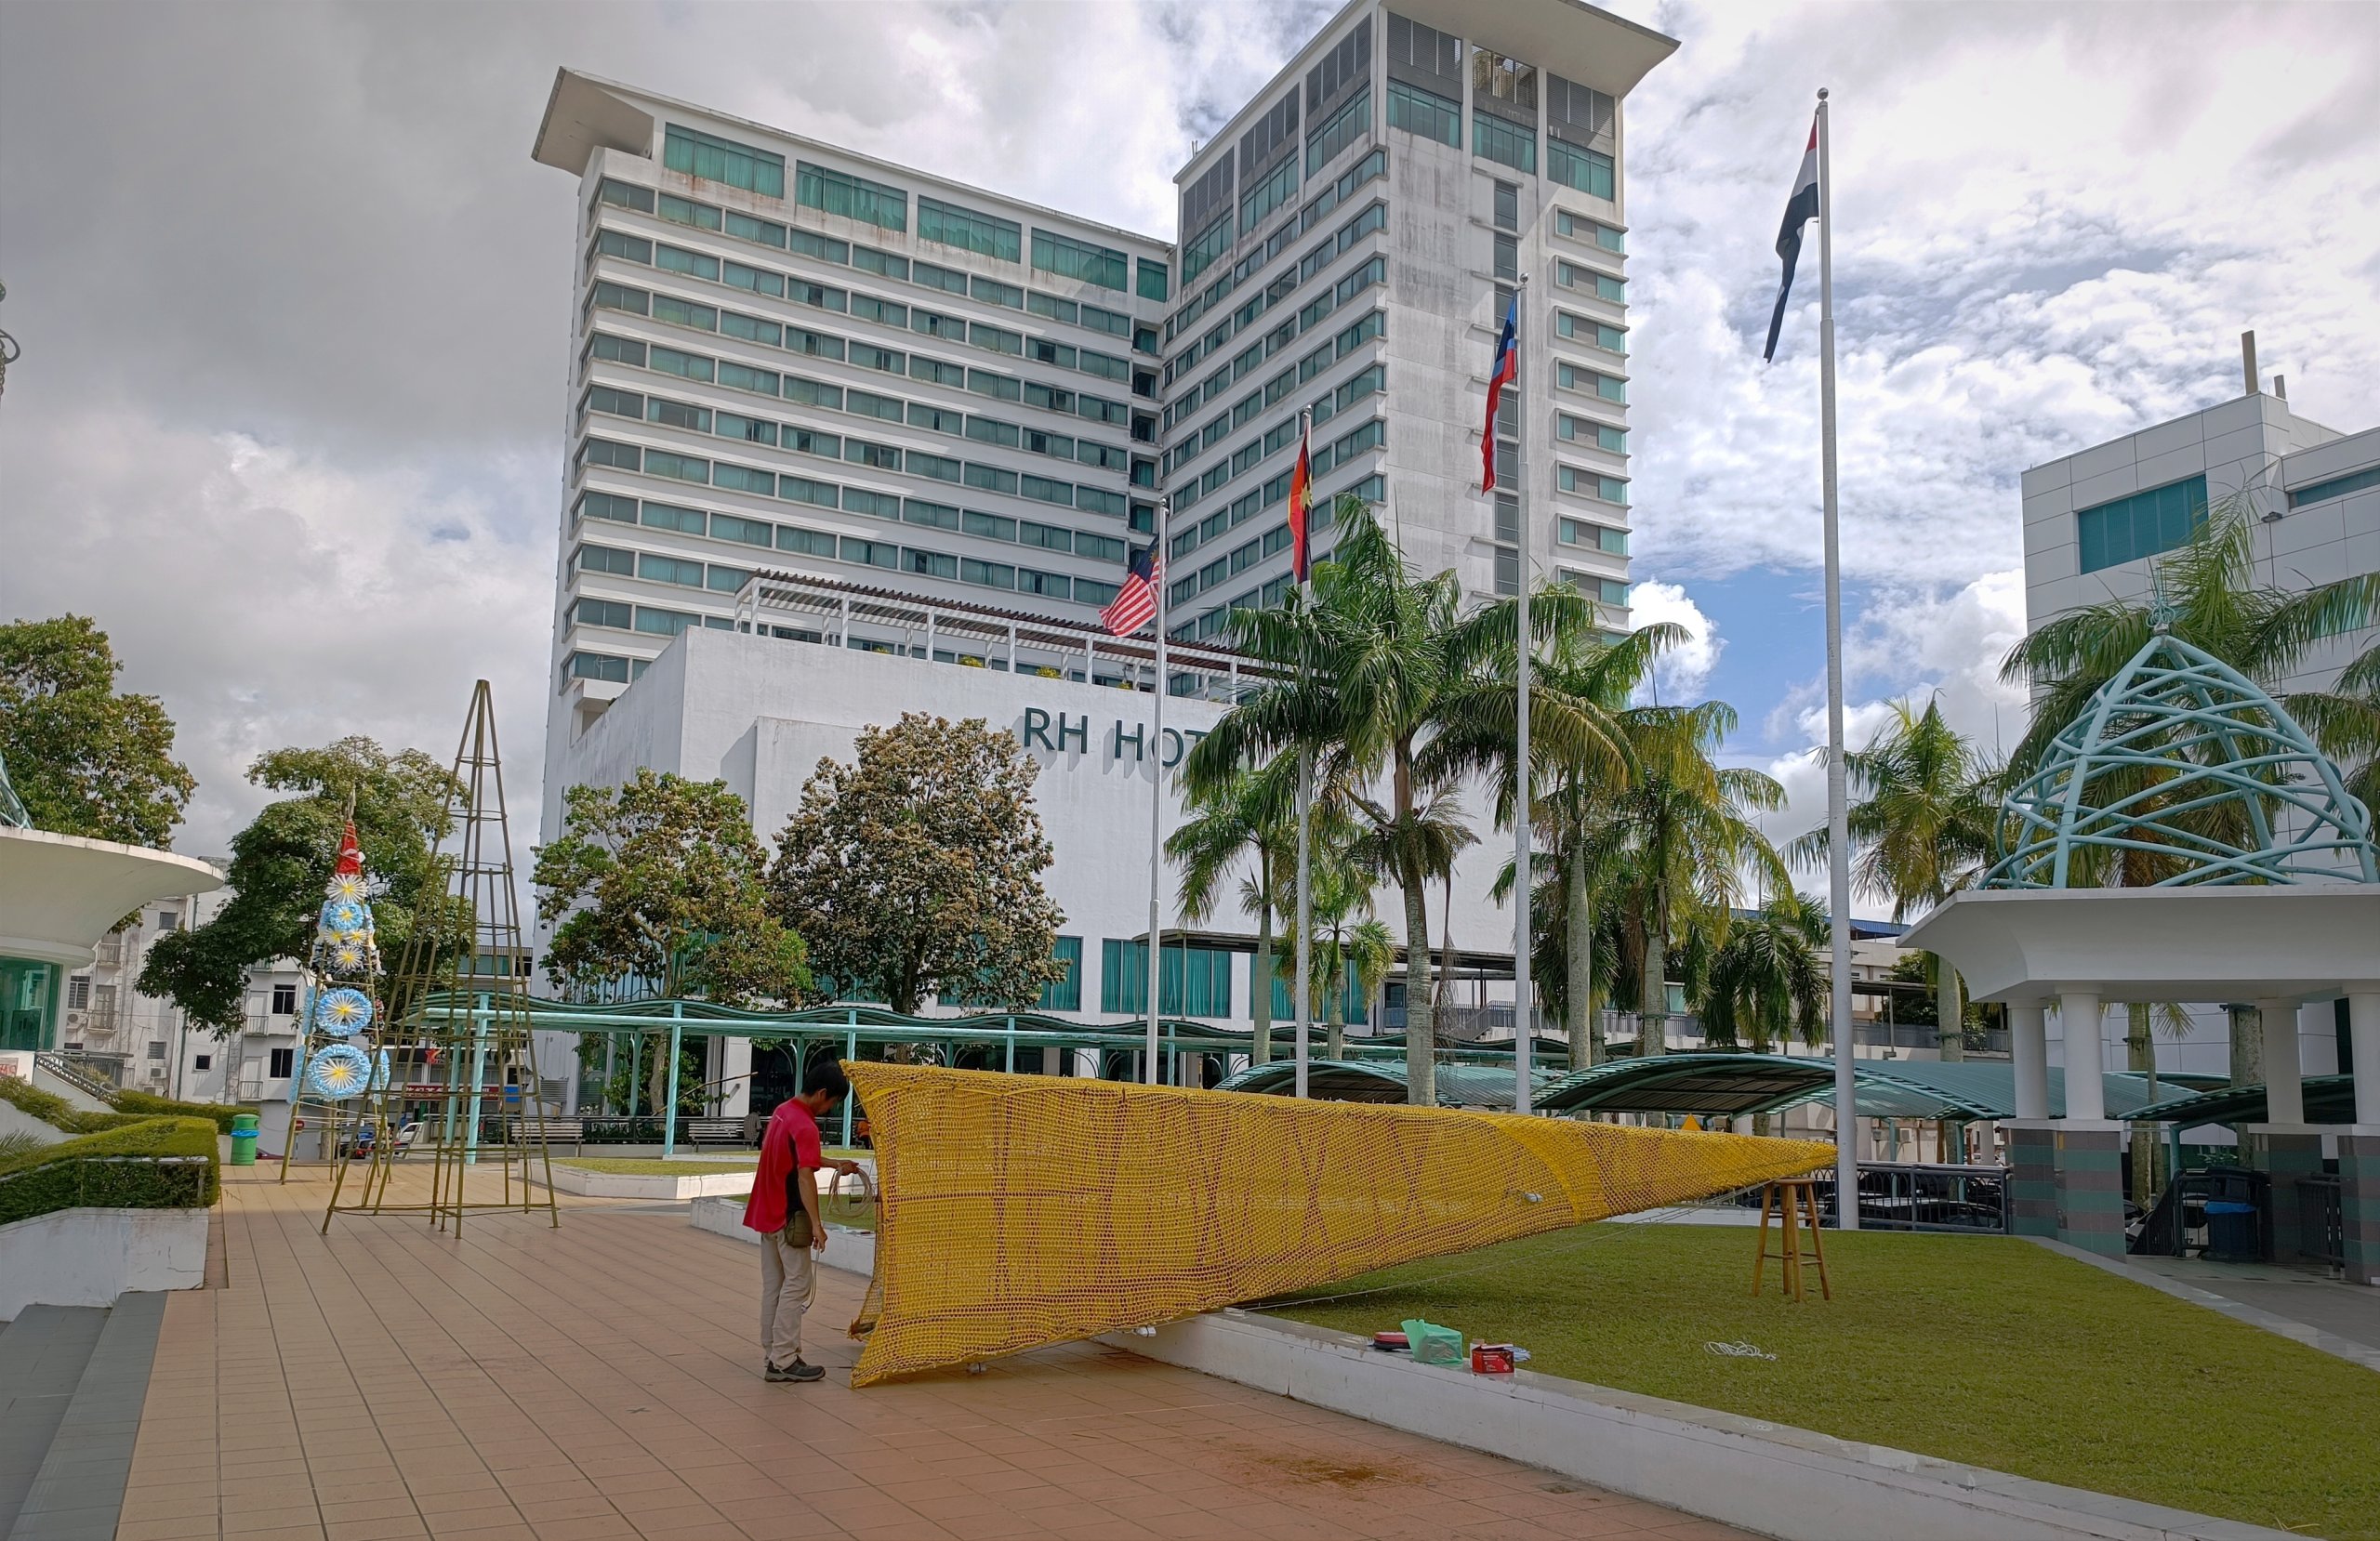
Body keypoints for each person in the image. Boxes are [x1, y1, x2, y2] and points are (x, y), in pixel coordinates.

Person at [741, 1064, 862, 1383]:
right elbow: (805, 1176)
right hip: (787, 1216)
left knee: (775, 1287)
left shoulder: (783, 1113)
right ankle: (784, 1359)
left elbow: (801, 1157)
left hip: (766, 1214)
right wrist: (817, 1226)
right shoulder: (806, 1125)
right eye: (832, 1102)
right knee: (796, 1286)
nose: (830, 1109)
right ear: (822, 1094)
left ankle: (774, 1354)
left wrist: (836, 1164)